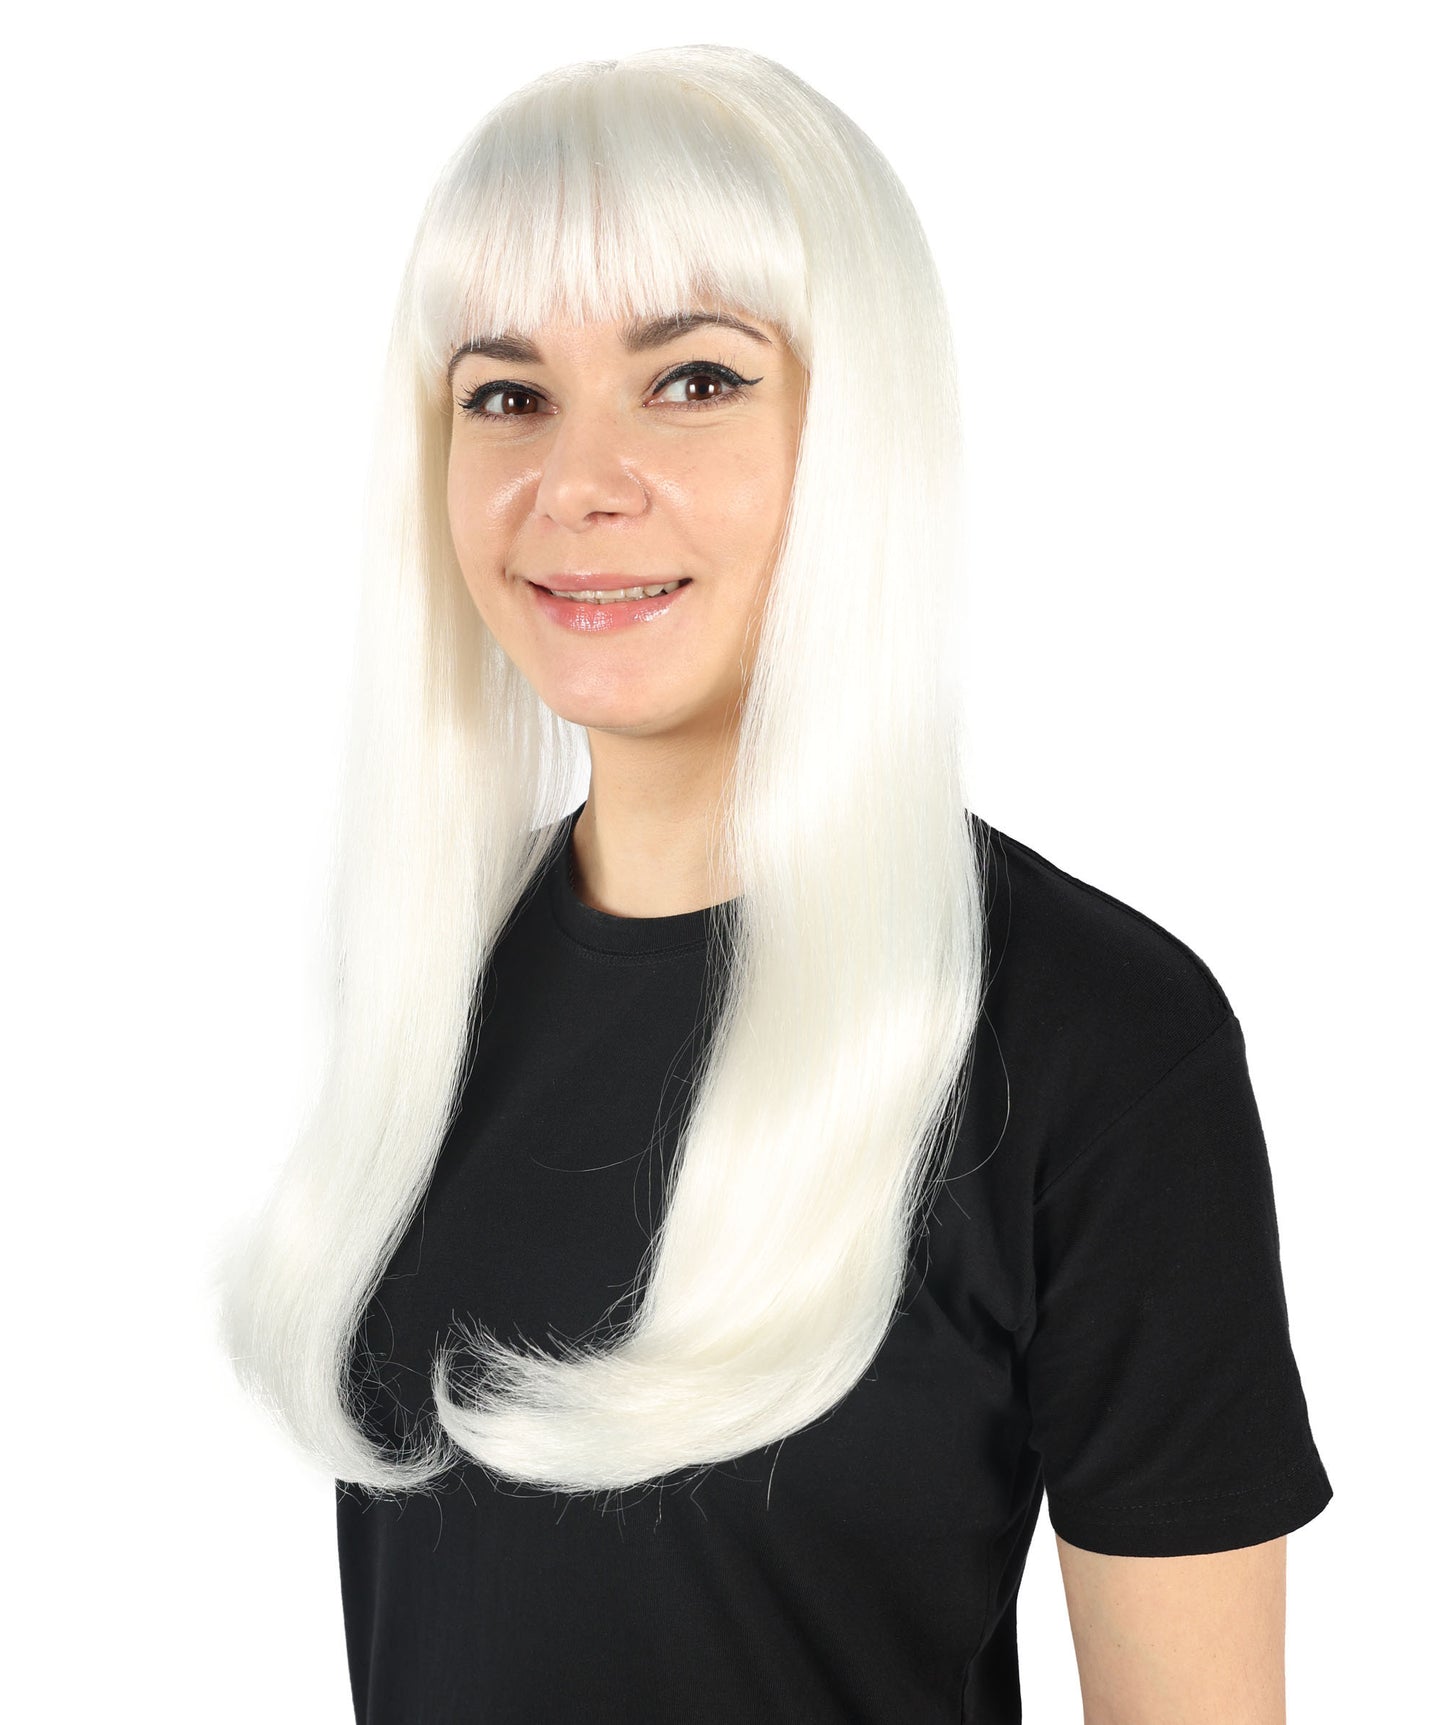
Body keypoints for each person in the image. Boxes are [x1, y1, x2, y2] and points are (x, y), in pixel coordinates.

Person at [215, 43, 1333, 1725]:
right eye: (506, 395)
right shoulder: (426, 980)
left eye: (692, 379)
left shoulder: (1092, 1037)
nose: (575, 483)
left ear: (859, 428)